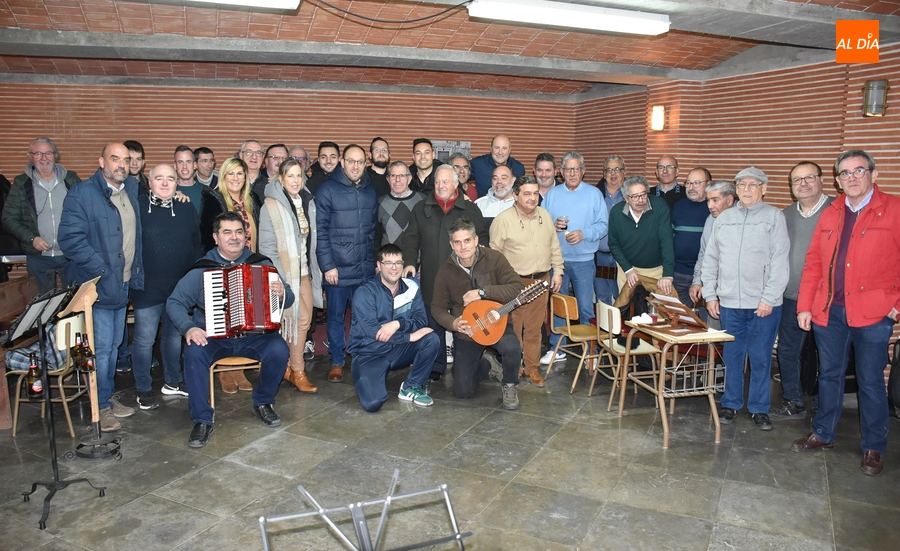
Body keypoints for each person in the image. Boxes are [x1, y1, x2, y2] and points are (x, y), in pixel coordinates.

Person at [792, 150, 900, 476]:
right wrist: (804, 306)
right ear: (838, 181)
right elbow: (813, 264)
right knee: (829, 376)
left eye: (858, 171)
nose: (852, 178)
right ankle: (823, 434)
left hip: (873, 316)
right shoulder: (832, 213)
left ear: (873, 174)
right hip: (830, 313)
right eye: (845, 173)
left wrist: (895, 307)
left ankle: (873, 447)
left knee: (869, 383)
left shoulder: (894, 210)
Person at [167, 212, 293, 448]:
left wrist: (282, 293)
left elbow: (289, 298)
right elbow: (174, 302)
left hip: (255, 336)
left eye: (238, 232)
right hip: (214, 337)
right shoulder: (202, 269)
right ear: (216, 237)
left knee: (279, 349)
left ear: (246, 236)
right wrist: (189, 328)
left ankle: (263, 402)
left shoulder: (262, 263)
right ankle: (202, 419)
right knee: (193, 352)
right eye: (227, 232)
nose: (234, 237)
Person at [58, 143, 142, 432]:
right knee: (102, 349)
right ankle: (100, 407)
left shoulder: (130, 190)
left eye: (126, 160)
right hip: (98, 286)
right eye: (114, 158)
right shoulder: (82, 194)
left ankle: (105, 396)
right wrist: (103, 271)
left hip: (123, 283)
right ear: (101, 161)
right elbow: (70, 241)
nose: (121, 164)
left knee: (115, 345)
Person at [701, 167, 789, 431]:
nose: (747, 189)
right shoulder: (724, 219)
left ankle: (759, 408)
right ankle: (731, 402)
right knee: (732, 357)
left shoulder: (774, 217)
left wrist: (769, 298)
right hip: (728, 303)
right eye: (742, 185)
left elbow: (780, 261)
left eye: (753, 184)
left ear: (764, 188)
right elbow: (711, 259)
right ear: (736, 189)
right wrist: (710, 295)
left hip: (763, 304)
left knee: (761, 358)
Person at [401, 165, 488, 380]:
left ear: (456, 184)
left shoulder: (470, 209)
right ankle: (436, 365)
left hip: (463, 278)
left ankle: (466, 364)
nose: (440, 186)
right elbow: (411, 239)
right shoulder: (421, 208)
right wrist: (410, 262)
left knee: (464, 320)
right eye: (437, 182)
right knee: (435, 319)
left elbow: (483, 239)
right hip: (432, 276)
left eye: (445, 182)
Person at [431, 219, 524, 409]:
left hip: (496, 322)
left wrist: (483, 292)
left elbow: (517, 288)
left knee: (512, 347)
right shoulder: (445, 271)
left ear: (475, 240)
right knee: (463, 392)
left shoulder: (495, 258)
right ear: (451, 245)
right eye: (457, 242)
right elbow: (437, 307)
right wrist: (453, 323)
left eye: (467, 240)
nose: (463, 246)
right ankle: (488, 365)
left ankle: (510, 384)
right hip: (469, 331)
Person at [131, 164, 201, 410]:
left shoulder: (185, 206)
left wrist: (193, 280)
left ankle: (172, 381)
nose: (164, 183)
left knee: (173, 337)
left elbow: (196, 243)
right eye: (158, 178)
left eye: (169, 179)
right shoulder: (136, 206)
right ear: (149, 182)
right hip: (146, 287)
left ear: (176, 183)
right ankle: (143, 388)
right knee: (144, 339)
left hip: (178, 288)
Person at [770, 161, 833, 421]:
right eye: (797, 180)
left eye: (809, 178)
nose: (803, 184)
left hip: (827, 300)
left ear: (821, 180)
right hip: (790, 296)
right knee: (787, 350)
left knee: (828, 356)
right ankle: (793, 400)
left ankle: (825, 405)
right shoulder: (785, 215)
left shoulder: (837, 210)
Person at [490, 176, 563, 387]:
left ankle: (532, 369)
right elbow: (494, 256)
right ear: (515, 195)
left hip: (542, 281)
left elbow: (554, 246)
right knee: (514, 328)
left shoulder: (545, 215)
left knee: (534, 328)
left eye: (535, 193)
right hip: (514, 283)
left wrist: (557, 271)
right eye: (527, 193)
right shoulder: (503, 220)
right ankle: (514, 369)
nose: (532, 198)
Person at [348, 244, 440, 412]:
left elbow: (421, 320)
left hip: (398, 350)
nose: (394, 268)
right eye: (388, 263)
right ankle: (370, 376)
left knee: (431, 339)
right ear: (378, 266)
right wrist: (408, 337)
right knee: (373, 403)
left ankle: (411, 387)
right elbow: (374, 332)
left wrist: (398, 323)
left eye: (398, 263)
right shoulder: (365, 292)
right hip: (369, 353)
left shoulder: (412, 288)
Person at [198, 157, 262, 393]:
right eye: (231, 174)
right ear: (223, 177)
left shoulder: (251, 199)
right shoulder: (213, 198)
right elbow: (205, 237)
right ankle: (226, 371)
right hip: (222, 268)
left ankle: (240, 367)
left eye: (240, 174)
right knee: (226, 321)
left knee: (245, 320)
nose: (236, 178)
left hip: (249, 267)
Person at [315, 144, 378, 383]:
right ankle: (337, 361)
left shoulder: (370, 191)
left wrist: (373, 263)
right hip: (337, 270)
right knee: (336, 318)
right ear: (342, 162)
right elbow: (320, 231)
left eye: (360, 162)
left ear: (365, 164)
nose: (355, 166)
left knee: (364, 317)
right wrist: (327, 266)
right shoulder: (326, 190)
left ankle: (361, 357)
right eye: (350, 161)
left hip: (363, 269)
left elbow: (372, 231)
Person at [258, 159, 321, 394]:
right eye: (290, 176)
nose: (295, 181)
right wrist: (281, 280)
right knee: (299, 319)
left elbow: (309, 241)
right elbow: (266, 248)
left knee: (303, 320)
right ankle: (298, 370)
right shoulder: (271, 206)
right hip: (285, 276)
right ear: (280, 179)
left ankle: (288, 368)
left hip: (304, 272)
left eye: (299, 176)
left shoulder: (306, 201)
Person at [541, 151, 608, 365]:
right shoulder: (552, 194)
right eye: (568, 169)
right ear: (561, 172)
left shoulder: (594, 194)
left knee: (586, 306)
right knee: (559, 306)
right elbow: (540, 224)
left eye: (576, 168)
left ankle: (591, 350)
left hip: (584, 261)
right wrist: (553, 226)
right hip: (557, 262)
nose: (572, 173)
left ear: (583, 171)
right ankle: (557, 347)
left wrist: (584, 234)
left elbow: (603, 226)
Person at [3, 137, 80, 295]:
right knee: (42, 307)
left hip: (71, 255)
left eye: (48, 153)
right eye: (38, 153)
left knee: (74, 304)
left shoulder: (71, 180)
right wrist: (32, 238)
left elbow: (86, 212)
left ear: (55, 155)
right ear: (30, 156)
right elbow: (8, 218)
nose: (44, 158)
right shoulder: (21, 184)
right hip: (38, 258)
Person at [608, 175, 675, 297]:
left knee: (658, 311)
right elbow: (614, 244)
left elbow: (667, 241)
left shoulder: (659, 206)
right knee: (626, 308)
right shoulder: (616, 213)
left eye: (643, 194)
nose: (641, 200)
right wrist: (628, 269)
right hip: (627, 269)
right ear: (626, 199)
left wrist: (667, 274)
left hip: (656, 270)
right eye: (635, 196)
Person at [689, 180, 737, 330]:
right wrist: (697, 281)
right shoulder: (711, 220)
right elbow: (704, 254)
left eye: (715, 200)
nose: (710, 205)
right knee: (713, 338)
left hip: (735, 295)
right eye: (708, 200)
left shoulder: (742, 221)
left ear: (729, 200)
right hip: (713, 293)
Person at [671, 168, 711, 306]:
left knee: (705, 323)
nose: (691, 187)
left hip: (706, 277)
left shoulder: (714, 209)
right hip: (678, 274)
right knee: (679, 319)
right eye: (688, 183)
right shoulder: (678, 206)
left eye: (697, 183)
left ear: (709, 184)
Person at [594, 155, 626, 305]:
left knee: (624, 298)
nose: (613, 174)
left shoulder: (631, 196)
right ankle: (605, 329)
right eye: (609, 170)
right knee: (603, 300)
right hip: (601, 257)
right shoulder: (595, 195)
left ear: (624, 172)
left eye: (617, 169)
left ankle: (622, 328)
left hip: (624, 257)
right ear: (604, 174)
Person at [377, 161, 424, 248]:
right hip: (389, 259)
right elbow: (377, 237)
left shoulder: (422, 200)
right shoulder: (380, 203)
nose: (397, 180)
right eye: (393, 176)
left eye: (402, 176)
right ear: (388, 179)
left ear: (409, 179)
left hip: (415, 260)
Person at [175, 145, 203, 211]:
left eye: (188, 162)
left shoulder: (206, 192)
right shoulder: (167, 191)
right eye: (180, 162)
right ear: (175, 166)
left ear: (195, 165)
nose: (185, 166)